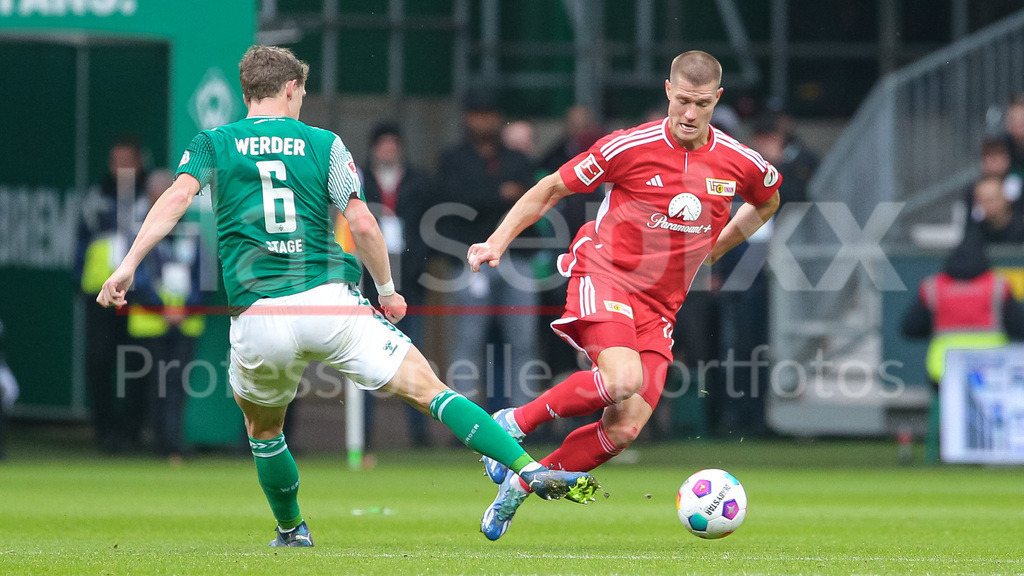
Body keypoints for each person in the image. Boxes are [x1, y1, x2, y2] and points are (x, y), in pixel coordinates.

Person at [96, 45, 598, 548]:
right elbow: (361, 222)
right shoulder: (324, 144)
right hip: (330, 303)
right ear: (291, 88)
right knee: (432, 390)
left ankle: (292, 530)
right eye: (303, 92)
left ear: (247, 90)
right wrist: (387, 290)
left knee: (264, 431)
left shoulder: (213, 142)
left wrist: (128, 265)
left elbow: (177, 198)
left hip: (257, 316)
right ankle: (527, 469)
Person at [468, 50, 781, 539]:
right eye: (682, 101)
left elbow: (769, 199)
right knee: (621, 380)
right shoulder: (628, 146)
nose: (691, 114)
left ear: (717, 99)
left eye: (701, 103)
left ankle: (519, 486)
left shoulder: (740, 161)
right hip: (604, 274)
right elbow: (550, 189)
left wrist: (718, 247)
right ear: (667, 92)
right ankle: (512, 422)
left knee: (625, 427)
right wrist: (497, 242)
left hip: (661, 308)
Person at [437, 87, 542, 411]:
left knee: (524, 342)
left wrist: (484, 194)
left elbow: (531, 201)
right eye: (479, 114)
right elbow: (455, 200)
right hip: (472, 260)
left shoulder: (516, 159)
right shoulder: (453, 158)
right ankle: (464, 421)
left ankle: (527, 420)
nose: (485, 121)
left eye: (490, 114)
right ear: (468, 118)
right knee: (468, 343)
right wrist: (499, 192)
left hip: (517, 257)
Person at [901, 230, 1024, 462]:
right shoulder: (997, 286)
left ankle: (943, 449)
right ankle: (999, 449)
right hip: (993, 374)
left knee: (947, 398)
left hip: (944, 374)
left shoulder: (934, 287)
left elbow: (910, 327)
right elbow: (1019, 326)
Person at [359, 122, 433, 447]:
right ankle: (361, 434)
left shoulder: (419, 182)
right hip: (367, 287)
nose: (388, 149)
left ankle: (420, 434)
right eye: (382, 143)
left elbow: (427, 232)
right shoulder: (358, 180)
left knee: (412, 359)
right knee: (364, 363)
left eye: (393, 143)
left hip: (409, 286)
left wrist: (417, 267)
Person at [124, 169, 205, 461]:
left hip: (185, 323)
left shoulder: (192, 232)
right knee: (152, 382)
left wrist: (185, 307)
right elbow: (137, 278)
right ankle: (154, 439)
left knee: (177, 384)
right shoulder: (139, 231)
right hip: (150, 322)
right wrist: (161, 308)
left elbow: (202, 277)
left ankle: (172, 441)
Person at [77, 140, 148, 453]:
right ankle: (104, 430)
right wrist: (79, 281)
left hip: (139, 295)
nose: (120, 167)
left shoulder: (149, 199)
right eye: (115, 160)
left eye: (126, 160)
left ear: (139, 162)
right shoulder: (96, 199)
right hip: (101, 294)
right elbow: (81, 243)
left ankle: (132, 431)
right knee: (99, 361)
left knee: (138, 363)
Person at [964, 175, 1024, 244]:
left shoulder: (1021, 230)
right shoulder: (973, 234)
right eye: (982, 200)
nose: (987, 205)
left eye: (991, 200)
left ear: (1006, 199)